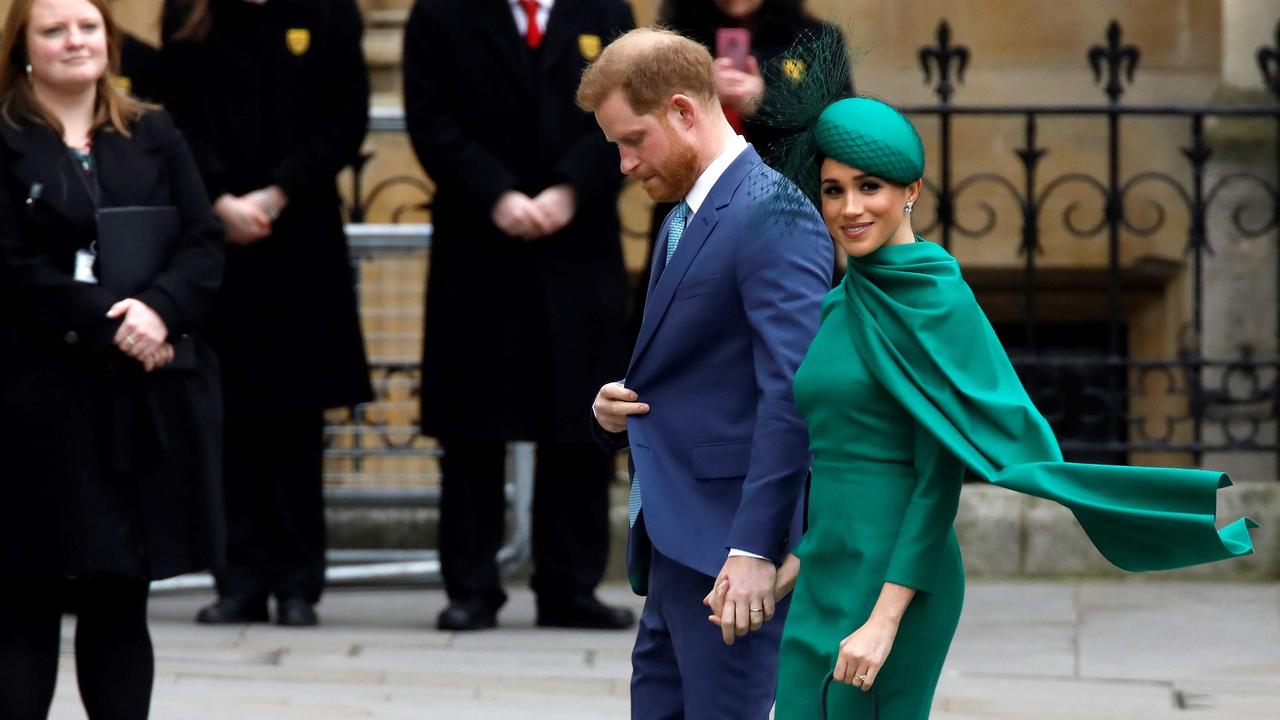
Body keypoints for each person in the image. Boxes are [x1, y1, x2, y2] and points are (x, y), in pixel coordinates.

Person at [706, 93, 1259, 718]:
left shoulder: (939, 302)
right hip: (828, 566)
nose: (849, 208)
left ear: (911, 190)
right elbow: (839, 460)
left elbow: (936, 483)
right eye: (833, 191)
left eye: (870, 187)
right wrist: (785, 572)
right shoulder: (842, 301)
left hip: (899, 580)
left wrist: (885, 621)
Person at [578, 28, 834, 718]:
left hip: (730, 556)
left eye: (633, 140)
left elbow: (794, 394)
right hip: (674, 548)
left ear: (684, 110)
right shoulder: (683, 216)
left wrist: (755, 548)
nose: (626, 164)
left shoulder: (772, 212)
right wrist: (616, 411)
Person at [0, 0, 225, 716]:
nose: (75, 41)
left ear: (110, 39)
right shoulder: (2, 136)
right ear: (22, 47)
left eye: (88, 27)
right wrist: (107, 321)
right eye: (54, 29)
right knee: (23, 600)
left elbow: (202, 240)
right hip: (34, 404)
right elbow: (9, 264)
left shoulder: (151, 130)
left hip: (136, 404)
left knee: (120, 597)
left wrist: (160, 308)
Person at [403, 0, 637, 632]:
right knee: (473, 423)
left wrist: (569, 189)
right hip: (479, 243)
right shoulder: (439, 15)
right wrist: (497, 194)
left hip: (579, 241)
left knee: (582, 417)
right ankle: (472, 586)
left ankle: (570, 586)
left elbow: (627, 114)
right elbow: (430, 119)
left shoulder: (605, 10)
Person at [159, 0, 373, 627]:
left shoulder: (329, 15)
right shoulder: (190, 15)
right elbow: (176, 119)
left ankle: (299, 582)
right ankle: (240, 578)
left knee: (297, 422)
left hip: (300, 238)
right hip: (215, 240)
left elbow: (344, 117)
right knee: (231, 416)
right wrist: (221, 198)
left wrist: (277, 193)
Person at [629, 0, 850, 344]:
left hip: (785, 221)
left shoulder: (814, 38)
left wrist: (764, 100)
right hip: (691, 216)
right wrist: (697, 96)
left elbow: (837, 132)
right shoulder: (668, 43)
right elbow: (639, 126)